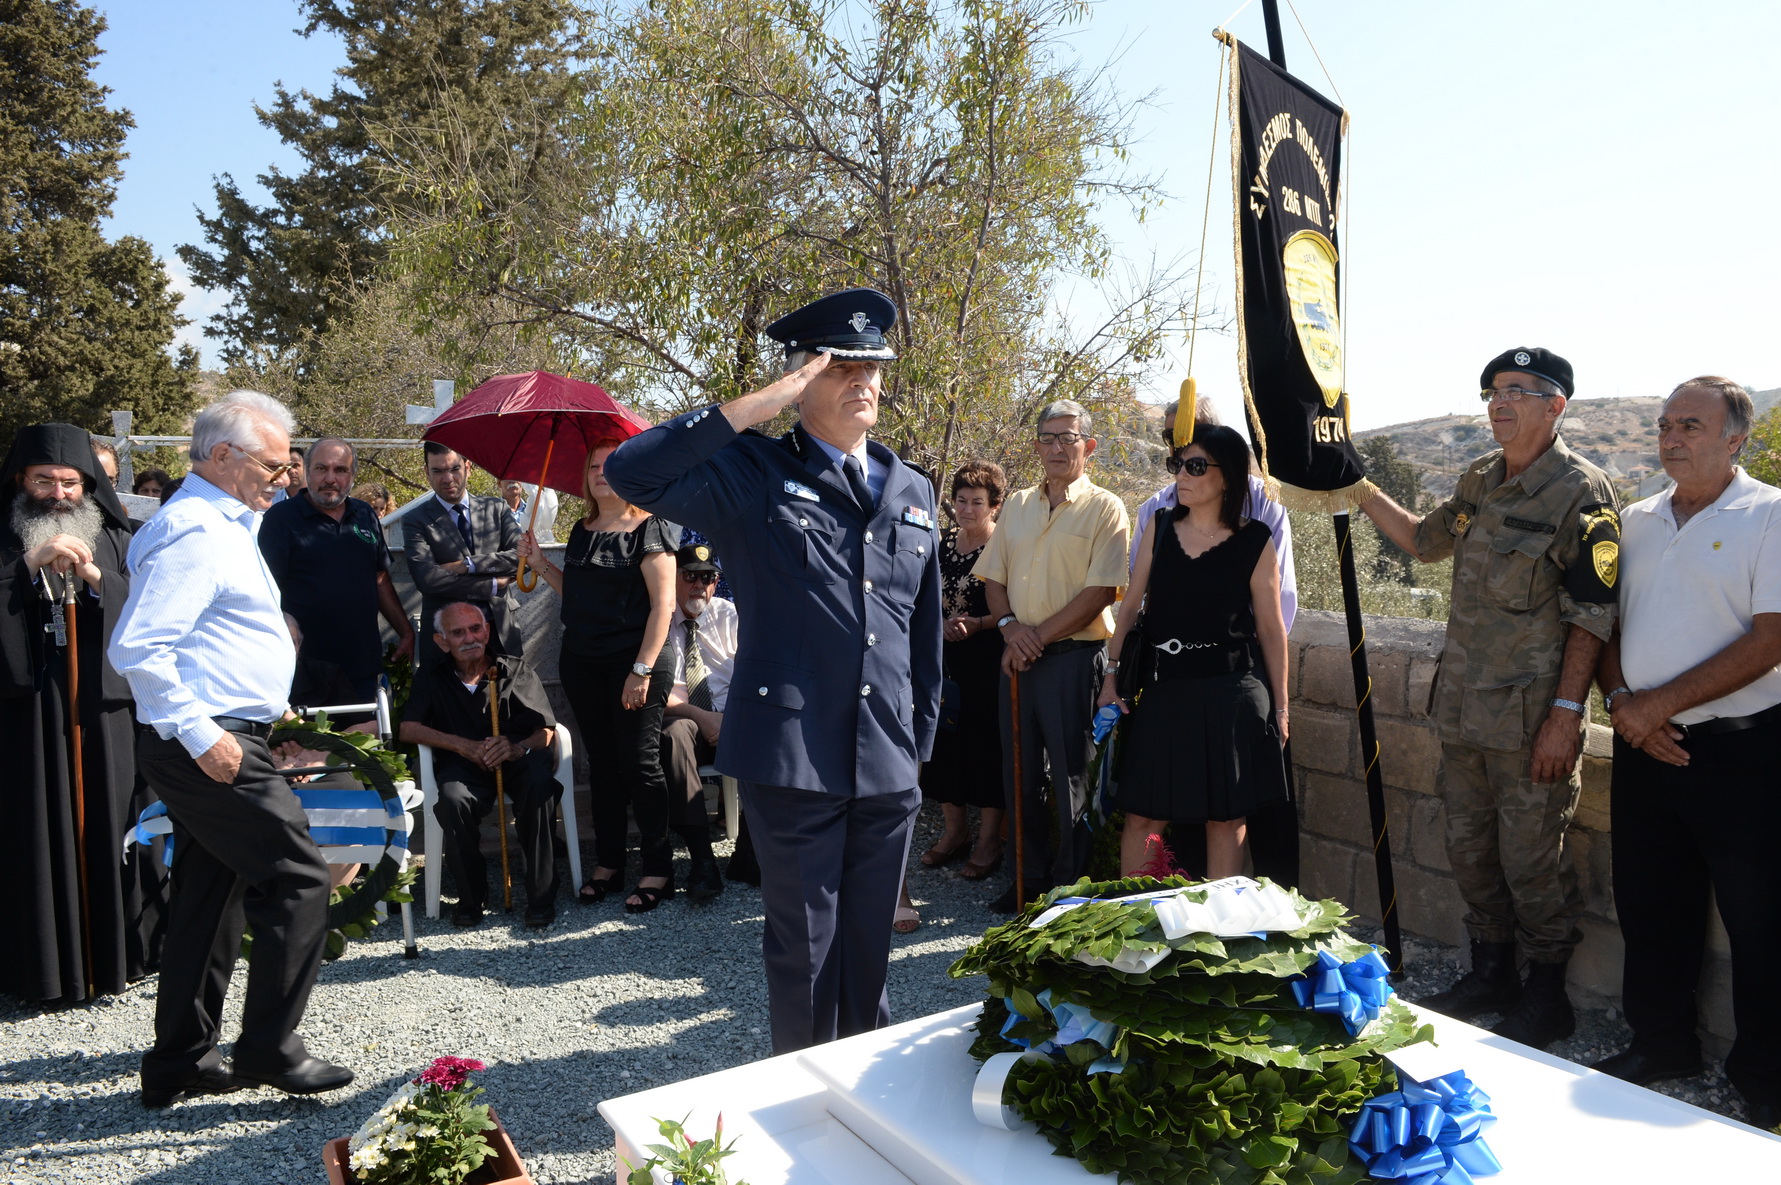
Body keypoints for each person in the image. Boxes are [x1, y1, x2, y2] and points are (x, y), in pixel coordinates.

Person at [605, 287, 942, 1053]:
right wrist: (757, 404)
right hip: (794, 754)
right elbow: (634, 471)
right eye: (839, 367)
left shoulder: (911, 488)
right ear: (800, 378)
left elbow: (921, 632)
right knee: (807, 950)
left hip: (885, 752)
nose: (864, 381)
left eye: (874, 367)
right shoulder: (751, 472)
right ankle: (809, 1103)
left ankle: (866, 1086)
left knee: (869, 948)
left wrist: (917, 741)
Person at [1356, 347, 1620, 1050]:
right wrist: (1352, 486)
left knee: (1534, 859)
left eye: (1516, 391)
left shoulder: (1581, 492)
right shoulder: (1479, 479)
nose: (1497, 404)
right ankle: (1491, 974)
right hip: (1465, 710)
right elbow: (1420, 541)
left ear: (1554, 404)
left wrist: (1566, 716)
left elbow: (1592, 615)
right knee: (1469, 850)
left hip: (1532, 716)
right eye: (1491, 392)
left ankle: (1545, 997)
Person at [110, 390, 352, 1108]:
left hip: (221, 726)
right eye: (277, 466)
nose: (288, 479)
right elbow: (140, 647)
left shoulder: (223, 523)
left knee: (209, 900)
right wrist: (204, 732)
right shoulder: (195, 529)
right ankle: (269, 1048)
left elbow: (204, 635)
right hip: (203, 737)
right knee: (301, 876)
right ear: (223, 455)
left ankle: (179, 1058)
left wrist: (258, 700)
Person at [1589, 377, 1781, 1131]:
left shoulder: (1768, 514)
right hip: (1643, 746)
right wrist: (1624, 709)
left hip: (1743, 754)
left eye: (1690, 425)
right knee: (1648, 904)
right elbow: (1601, 625)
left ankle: (1764, 1073)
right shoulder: (1634, 519)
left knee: (1759, 919)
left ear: (1735, 438)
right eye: (1665, 423)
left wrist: (1653, 706)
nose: (1671, 436)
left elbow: (1769, 640)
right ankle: (1661, 1044)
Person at [0, 423, 164, 1003]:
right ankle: (40, 971)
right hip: (28, 718)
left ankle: (121, 958)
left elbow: (149, 607)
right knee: (34, 833)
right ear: (21, 480)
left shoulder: (117, 537)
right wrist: (27, 565)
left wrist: (97, 580)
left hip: (102, 713)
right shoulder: (5, 535)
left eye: (70, 482)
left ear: (88, 485)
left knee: (113, 823)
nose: (58, 493)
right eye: (43, 480)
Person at [1099, 426, 1290, 878]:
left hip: (1232, 693)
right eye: (1178, 465)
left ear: (1227, 478)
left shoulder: (1256, 540)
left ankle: (1216, 932)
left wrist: (1282, 706)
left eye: (1196, 466)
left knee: (1225, 818)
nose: (1182, 475)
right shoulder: (1160, 528)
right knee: (1144, 816)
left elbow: (1270, 627)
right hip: (1165, 690)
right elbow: (1129, 608)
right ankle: (1134, 925)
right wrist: (1110, 676)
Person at [973, 400, 1129, 912]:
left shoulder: (1106, 508)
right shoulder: (1016, 504)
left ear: (1089, 445)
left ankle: (1068, 889)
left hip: (1070, 659)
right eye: (1048, 437)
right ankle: (1026, 881)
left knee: (1070, 778)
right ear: (1036, 444)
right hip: (1018, 657)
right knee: (1018, 773)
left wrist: (1030, 638)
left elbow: (1102, 591)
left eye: (1068, 438)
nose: (1057, 447)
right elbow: (993, 578)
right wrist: (1011, 628)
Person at [518, 442, 680, 913]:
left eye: (611, 465)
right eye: (592, 466)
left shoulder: (652, 527)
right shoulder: (582, 529)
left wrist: (642, 669)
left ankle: (657, 868)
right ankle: (608, 862)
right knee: (602, 765)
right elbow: (578, 596)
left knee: (639, 763)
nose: (601, 473)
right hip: (583, 662)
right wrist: (540, 562)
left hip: (636, 663)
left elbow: (663, 606)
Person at [398, 602, 562, 928]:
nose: (470, 638)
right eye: (458, 633)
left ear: (487, 631)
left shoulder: (513, 669)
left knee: (539, 786)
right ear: (442, 641)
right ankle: (472, 896)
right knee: (453, 799)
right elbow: (408, 729)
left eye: (475, 629)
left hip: (516, 759)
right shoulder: (432, 677)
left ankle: (541, 895)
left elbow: (546, 731)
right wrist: (463, 746)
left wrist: (516, 748)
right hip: (463, 764)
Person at [259, 438, 414, 702]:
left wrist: (406, 632)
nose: (330, 478)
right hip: (304, 671)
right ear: (307, 471)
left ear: (352, 476)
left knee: (363, 741)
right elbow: (263, 589)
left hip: (361, 667)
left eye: (340, 470)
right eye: (322, 469)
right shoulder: (280, 519)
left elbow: (380, 578)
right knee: (309, 743)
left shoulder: (365, 514)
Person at [918, 460, 1008, 882]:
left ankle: (989, 842)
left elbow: (1017, 606)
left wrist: (979, 624)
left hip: (989, 660)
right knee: (943, 745)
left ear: (995, 506)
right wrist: (939, 624)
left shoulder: (1005, 546)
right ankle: (955, 833)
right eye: (960, 500)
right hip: (946, 662)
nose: (966, 509)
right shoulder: (943, 544)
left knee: (987, 748)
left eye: (976, 502)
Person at [659, 541, 739, 903]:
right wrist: (701, 716)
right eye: (690, 576)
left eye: (708, 578)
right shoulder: (656, 619)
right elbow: (656, 694)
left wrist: (730, 720)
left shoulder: (729, 615)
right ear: (672, 578)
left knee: (768, 730)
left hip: (732, 715)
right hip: (685, 716)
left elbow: (753, 677)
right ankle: (702, 859)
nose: (699, 586)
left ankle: (752, 851)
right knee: (674, 737)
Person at [405, 442, 523, 662]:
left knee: (507, 694)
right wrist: (491, 585)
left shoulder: (496, 509)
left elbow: (522, 558)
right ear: (426, 473)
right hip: (447, 638)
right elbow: (427, 580)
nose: (448, 478)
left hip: (500, 630)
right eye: (438, 471)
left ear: (468, 467)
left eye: (454, 469)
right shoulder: (416, 520)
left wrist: (468, 565)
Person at [501, 477, 559, 544]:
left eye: (517, 476)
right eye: (508, 477)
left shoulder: (535, 511)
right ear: (499, 483)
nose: (513, 481)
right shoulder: (492, 512)